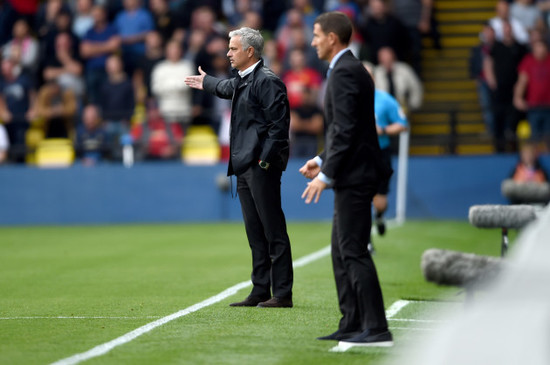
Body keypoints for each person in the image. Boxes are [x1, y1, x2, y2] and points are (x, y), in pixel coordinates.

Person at [299, 12, 393, 346]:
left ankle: (377, 328)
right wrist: (319, 159)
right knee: (341, 251)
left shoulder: (345, 72)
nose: (312, 42)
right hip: (352, 173)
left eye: (316, 35)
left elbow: (347, 130)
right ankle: (352, 323)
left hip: (355, 176)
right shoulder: (349, 69)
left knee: (353, 251)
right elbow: (348, 128)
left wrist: (325, 175)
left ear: (332, 39)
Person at [185, 26, 294, 308]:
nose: (228, 53)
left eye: (233, 49)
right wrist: (206, 82)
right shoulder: (244, 79)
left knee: (273, 230)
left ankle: (282, 293)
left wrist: (264, 161)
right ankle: (260, 289)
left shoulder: (267, 81)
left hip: (259, 166)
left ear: (250, 51)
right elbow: (225, 87)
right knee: (255, 232)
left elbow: (278, 128)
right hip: (246, 165)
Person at [364, 63, 408, 253]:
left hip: (380, 153)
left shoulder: (384, 100)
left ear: (373, 78)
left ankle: (380, 216)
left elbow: (402, 124)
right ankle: (366, 240)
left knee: (379, 200)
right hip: (360, 154)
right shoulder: (349, 99)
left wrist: (382, 130)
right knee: (362, 197)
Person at [514, 39, 550, 149]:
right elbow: (522, 81)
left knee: (548, 136)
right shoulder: (528, 61)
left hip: (548, 106)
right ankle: (533, 162)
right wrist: (518, 97)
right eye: (537, 47)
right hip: (533, 106)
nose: (540, 50)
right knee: (533, 137)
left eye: (541, 47)